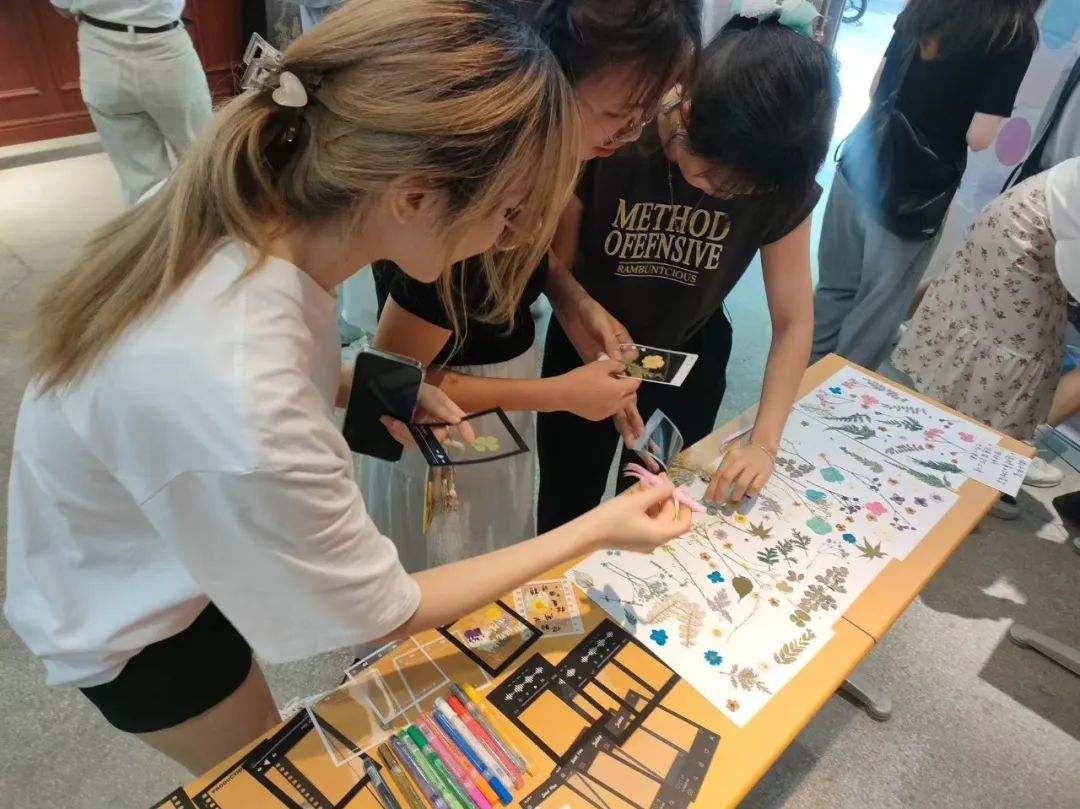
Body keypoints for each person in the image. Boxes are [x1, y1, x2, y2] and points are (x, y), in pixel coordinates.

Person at [3, 0, 691, 775]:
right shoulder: (239, 384)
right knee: (262, 772)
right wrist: (598, 529)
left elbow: (239, 374)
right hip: (130, 625)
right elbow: (390, 607)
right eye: (506, 211)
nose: (508, 235)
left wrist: (358, 380)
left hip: (147, 534)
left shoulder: (259, 210)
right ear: (415, 196)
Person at [360, 0, 703, 572]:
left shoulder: (553, 154)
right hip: (436, 442)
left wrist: (574, 301)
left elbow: (525, 254)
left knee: (496, 555)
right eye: (619, 113)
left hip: (496, 409)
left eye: (647, 115)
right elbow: (386, 385)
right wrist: (557, 394)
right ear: (551, 75)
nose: (628, 136)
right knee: (445, 573)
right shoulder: (473, 193)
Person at [537, 4, 840, 532]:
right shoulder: (613, 137)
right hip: (585, 347)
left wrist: (764, 443)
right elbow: (550, 263)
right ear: (688, 110)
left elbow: (794, 321)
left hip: (686, 360)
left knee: (656, 511)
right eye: (714, 177)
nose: (721, 193)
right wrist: (578, 309)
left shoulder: (779, 177)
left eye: (740, 191)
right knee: (566, 508)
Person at [812, 0, 1042, 370]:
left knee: (834, 289)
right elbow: (979, 136)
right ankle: (831, 396)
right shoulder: (1012, 30)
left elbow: (876, 87)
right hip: (914, 194)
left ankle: (801, 381)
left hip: (861, 162)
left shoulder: (926, 4)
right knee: (875, 313)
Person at [893, 157, 1080, 519]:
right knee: (1013, 354)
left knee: (1012, 352)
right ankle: (964, 474)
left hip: (1031, 221)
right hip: (1027, 231)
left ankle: (972, 463)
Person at [50, 0, 213, 207]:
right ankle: (212, 222)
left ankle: (151, 225)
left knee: (139, 176)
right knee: (202, 157)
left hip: (101, 50)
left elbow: (63, 8)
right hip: (165, 47)